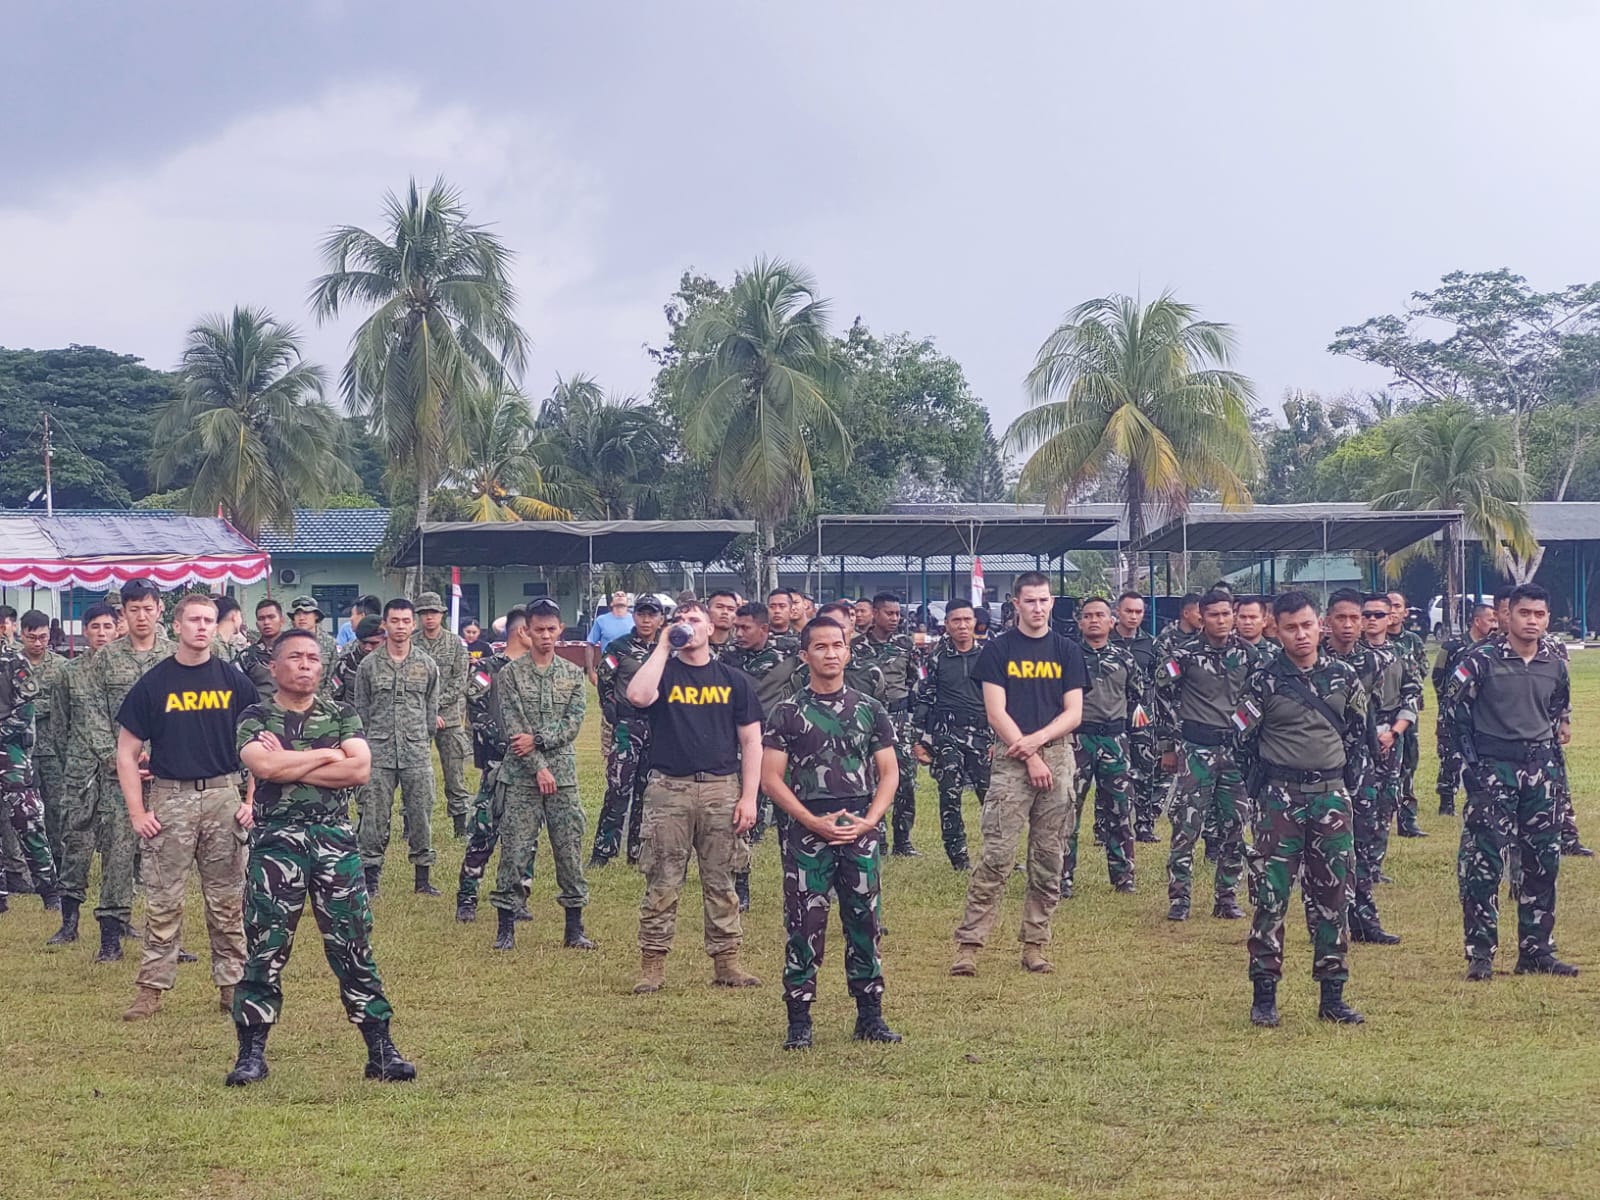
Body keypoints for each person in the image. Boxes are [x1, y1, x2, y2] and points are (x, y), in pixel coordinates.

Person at [227, 627, 414, 1086]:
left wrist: (293, 759)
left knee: (353, 944)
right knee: (266, 946)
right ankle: (251, 1053)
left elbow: (361, 769)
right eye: (295, 657)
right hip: (276, 843)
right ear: (274, 667)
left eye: (313, 657)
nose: (306, 664)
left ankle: (381, 1050)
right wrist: (327, 758)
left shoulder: (341, 713)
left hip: (334, 842)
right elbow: (264, 768)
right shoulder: (255, 716)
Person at [114, 594, 257, 1021]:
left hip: (223, 797)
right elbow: (126, 752)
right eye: (193, 619)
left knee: (227, 900)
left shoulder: (235, 682)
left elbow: (259, 746)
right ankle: (151, 990)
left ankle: (233, 986)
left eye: (209, 620)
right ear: (175, 626)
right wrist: (137, 812)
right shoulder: (154, 684)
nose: (202, 627)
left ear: (217, 626)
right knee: (162, 900)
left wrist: (250, 801)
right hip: (170, 798)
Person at [762, 618, 901, 1049]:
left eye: (837, 645)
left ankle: (870, 1015)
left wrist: (871, 820)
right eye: (819, 647)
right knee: (805, 924)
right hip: (808, 832)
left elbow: (889, 772)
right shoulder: (787, 713)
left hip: (859, 827)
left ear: (848, 651)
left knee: (865, 920)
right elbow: (771, 779)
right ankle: (799, 1020)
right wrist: (810, 821)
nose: (830, 653)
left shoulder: (868, 708)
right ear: (804, 656)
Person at [1233, 592, 1367, 1027]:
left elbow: (1358, 737)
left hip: (1331, 797)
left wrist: (1340, 786)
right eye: (1291, 627)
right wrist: (1267, 786)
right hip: (1279, 800)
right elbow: (1242, 740)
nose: (1301, 634)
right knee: (1271, 896)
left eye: (1308, 625)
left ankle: (1333, 994)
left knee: (1334, 896)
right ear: (1276, 629)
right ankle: (1264, 994)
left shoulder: (1344, 676)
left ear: (1320, 625)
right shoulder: (1263, 680)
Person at [951, 572, 1086, 978]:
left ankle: (1035, 945)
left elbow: (1074, 713)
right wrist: (1028, 754)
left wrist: (1039, 744)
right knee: (997, 856)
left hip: (1058, 757)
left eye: (1044, 600)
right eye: (1030, 601)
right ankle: (969, 946)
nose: (1038, 608)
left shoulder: (1067, 650)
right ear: (1015, 604)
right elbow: (996, 712)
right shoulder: (998, 650)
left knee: (1049, 857)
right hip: (1012, 759)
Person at [625, 600, 763, 993]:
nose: (686, 625)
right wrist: (663, 646)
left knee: (722, 879)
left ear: (710, 628)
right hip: (670, 788)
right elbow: (637, 696)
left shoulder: (733, 679)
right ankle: (652, 964)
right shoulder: (662, 672)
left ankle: (727, 962)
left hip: (721, 788)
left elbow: (752, 740)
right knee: (663, 879)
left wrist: (748, 797)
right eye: (680, 620)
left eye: (693, 620)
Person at [1445, 583, 1578, 982]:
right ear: (1508, 616)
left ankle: (1536, 949)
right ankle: (1481, 953)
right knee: (1483, 864)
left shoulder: (1555, 660)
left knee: (1542, 862)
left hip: (1540, 772)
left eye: (1539, 614)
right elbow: (1454, 714)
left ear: (1548, 618)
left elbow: (1557, 708)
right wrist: (1473, 769)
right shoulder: (1480, 660)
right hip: (1493, 770)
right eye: (1525, 613)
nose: (1532, 621)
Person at [487, 596, 594, 952]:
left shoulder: (572, 674)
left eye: (551, 629)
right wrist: (539, 767)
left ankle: (574, 928)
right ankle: (505, 927)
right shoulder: (510, 675)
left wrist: (541, 743)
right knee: (515, 849)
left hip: (563, 776)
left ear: (560, 630)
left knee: (568, 848)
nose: (546, 636)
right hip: (521, 777)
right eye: (539, 630)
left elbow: (573, 724)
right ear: (526, 632)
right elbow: (514, 729)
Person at [1153, 588, 1263, 923]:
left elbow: (1259, 699)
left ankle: (1227, 897)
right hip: (1195, 748)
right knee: (1187, 825)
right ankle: (1179, 898)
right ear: (1201, 616)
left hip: (1235, 751)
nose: (1221, 620)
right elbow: (1162, 698)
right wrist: (1168, 748)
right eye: (1213, 614)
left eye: (1226, 613)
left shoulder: (1250, 655)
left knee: (1234, 825)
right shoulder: (1183, 656)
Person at [81, 578, 170, 961]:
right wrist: (117, 758)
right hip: (120, 773)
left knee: (168, 854)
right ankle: (111, 936)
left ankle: (166, 936)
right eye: (133, 609)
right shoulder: (106, 659)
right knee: (118, 850)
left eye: (148, 608)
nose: (141, 616)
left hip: (169, 772)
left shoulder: (175, 656)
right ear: (123, 614)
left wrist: (164, 754)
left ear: (160, 610)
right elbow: (93, 714)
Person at [1320, 589, 1399, 946]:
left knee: (1364, 844)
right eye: (1342, 618)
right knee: (1323, 848)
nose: (1350, 625)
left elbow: (1374, 715)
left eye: (1356, 618)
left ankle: (1364, 920)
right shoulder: (1311, 660)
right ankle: (1326, 921)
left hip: (1362, 764)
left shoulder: (1373, 662)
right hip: (1322, 763)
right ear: (1327, 620)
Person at [352, 598, 440, 898]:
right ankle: (371, 877)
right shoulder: (368, 666)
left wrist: (421, 740)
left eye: (406, 621)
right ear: (385, 625)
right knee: (374, 815)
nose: (400, 627)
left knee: (421, 813)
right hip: (378, 751)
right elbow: (361, 710)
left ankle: (423, 878)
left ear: (412, 624)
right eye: (395, 621)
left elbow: (431, 709)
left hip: (416, 751)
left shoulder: (427, 665)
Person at [45, 603, 119, 947]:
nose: (102, 633)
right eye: (95, 627)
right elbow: (59, 726)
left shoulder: (127, 671)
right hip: (79, 770)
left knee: (119, 849)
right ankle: (69, 921)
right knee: (75, 844)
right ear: (85, 631)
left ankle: (118, 918)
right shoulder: (68, 673)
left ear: (118, 629)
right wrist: (74, 760)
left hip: (120, 771)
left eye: (108, 626)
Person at [455, 606, 535, 923]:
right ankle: (467, 897)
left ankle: (518, 897)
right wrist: (501, 742)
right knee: (484, 830)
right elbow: (475, 708)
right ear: (521, 631)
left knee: (527, 834)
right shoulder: (489, 667)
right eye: (536, 629)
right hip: (497, 762)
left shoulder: (535, 670)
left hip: (530, 763)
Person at [1064, 597, 1142, 897]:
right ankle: (1063, 878)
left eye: (1100, 615)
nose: (1094, 620)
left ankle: (1123, 877)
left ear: (1112, 621)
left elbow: (1137, 700)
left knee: (1120, 811)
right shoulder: (1067, 657)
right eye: (1088, 616)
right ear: (1079, 622)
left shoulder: (1125, 658)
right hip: (1077, 739)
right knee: (1068, 809)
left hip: (1115, 739)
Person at [1356, 593, 1421, 932]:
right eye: (1366, 614)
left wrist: (1395, 732)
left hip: (1390, 734)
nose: (1372, 620)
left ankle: (1373, 866)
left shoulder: (1401, 654)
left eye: (1379, 614)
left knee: (1385, 803)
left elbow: (1412, 696)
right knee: (1356, 803)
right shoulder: (1349, 655)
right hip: (1355, 738)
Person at [911, 598, 989, 870]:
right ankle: (959, 858)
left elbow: (1004, 699)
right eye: (956, 621)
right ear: (946, 625)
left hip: (983, 735)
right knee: (950, 796)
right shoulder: (936, 657)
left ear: (975, 622)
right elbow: (924, 699)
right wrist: (918, 740)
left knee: (992, 799)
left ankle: (999, 856)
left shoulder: (989, 656)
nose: (962, 626)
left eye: (967, 620)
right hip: (947, 734)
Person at [591, 596, 665, 868]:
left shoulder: (666, 649)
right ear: (634, 617)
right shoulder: (619, 648)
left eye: (652, 615)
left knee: (648, 790)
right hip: (627, 726)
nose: (646, 620)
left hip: (656, 727)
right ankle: (603, 851)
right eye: (642, 614)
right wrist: (613, 712)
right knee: (618, 788)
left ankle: (637, 851)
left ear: (660, 619)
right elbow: (605, 683)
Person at [724, 600, 801, 860]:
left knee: (789, 813)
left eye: (745, 628)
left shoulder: (790, 650)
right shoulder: (727, 656)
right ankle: (739, 880)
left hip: (780, 742)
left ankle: (796, 876)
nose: (739, 634)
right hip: (741, 742)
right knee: (741, 812)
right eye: (737, 628)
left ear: (764, 628)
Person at [851, 593, 922, 856]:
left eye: (897, 614)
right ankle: (876, 837)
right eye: (889, 613)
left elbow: (914, 681)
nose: (894, 618)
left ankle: (903, 840)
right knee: (870, 778)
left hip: (899, 718)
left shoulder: (905, 645)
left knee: (905, 780)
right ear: (875, 613)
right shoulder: (857, 647)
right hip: (868, 719)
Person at [1, 630, 59, 915]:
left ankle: (49, 890)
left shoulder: (12, 662)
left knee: (28, 821)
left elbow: (25, 710)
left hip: (10, 756)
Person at [412, 592, 472, 838]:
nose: (429, 617)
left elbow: (460, 680)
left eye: (433, 613)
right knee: (415, 772)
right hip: (415, 716)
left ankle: (460, 826)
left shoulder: (456, 643)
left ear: (441, 615)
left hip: (450, 717)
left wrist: (435, 707)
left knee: (454, 773)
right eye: (425, 613)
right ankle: (412, 825)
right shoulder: (411, 644)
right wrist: (426, 709)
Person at [17, 610, 69, 872]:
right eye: (32, 638)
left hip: (52, 749)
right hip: (18, 751)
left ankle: (58, 859)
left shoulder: (61, 666)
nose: (38, 643)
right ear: (21, 634)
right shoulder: (9, 665)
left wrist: (27, 706)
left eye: (43, 637)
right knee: (22, 808)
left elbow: (62, 704)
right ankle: (27, 864)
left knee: (56, 807)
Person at [1433, 603, 1496, 816]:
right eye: (1490, 620)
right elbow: (1438, 676)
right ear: (1477, 621)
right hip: (1452, 711)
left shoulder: (1494, 646)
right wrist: (1448, 703)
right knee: (1449, 755)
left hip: (1481, 712)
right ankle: (1446, 800)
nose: (1494, 624)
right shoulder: (1453, 645)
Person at [1111, 592, 1161, 842]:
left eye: (1138, 612)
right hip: (1112, 712)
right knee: (1111, 770)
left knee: (1145, 768)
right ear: (1117, 611)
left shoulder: (1151, 645)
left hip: (1142, 715)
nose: (1133, 616)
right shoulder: (1105, 642)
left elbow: (1158, 682)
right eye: (1128, 611)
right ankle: (1106, 825)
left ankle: (1144, 825)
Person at [1386, 591, 1428, 838]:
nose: (1392, 611)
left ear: (1405, 612)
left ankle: (1408, 820)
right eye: (1388, 606)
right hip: (1382, 715)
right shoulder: (1371, 641)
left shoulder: (1412, 641)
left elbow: (1421, 671)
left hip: (1407, 713)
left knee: (1408, 764)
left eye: (1397, 606)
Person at [239, 599, 286, 703]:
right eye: (261, 618)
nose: (266, 622)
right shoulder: (247, 657)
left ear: (282, 620)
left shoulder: (296, 652)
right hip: (261, 714)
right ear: (257, 624)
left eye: (271, 617)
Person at [328, 616, 384, 704]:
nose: (368, 648)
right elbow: (333, 695)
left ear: (385, 639)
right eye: (364, 642)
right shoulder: (345, 664)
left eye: (374, 643)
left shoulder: (394, 663)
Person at [584, 592, 634, 686]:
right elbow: (590, 644)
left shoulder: (635, 620)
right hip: (608, 667)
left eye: (623, 595)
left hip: (630, 668)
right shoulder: (601, 620)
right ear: (611, 603)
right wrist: (590, 672)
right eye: (617, 595)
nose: (620, 595)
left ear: (628, 603)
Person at [288, 596, 337, 691]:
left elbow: (333, 678)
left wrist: (323, 702)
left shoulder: (329, 643)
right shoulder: (286, 643)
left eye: (306, 613)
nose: (302, 618)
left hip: (322, 700)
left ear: (316, 616)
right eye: (298, 614)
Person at [706, 590, 739, 658]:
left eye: (731, 609)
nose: (725, 612)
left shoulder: (741, 647)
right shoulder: (697, 644)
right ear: (707, 611)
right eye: (719, 607)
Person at [766, 589, 799, 653]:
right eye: (772, 607)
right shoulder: (758, 638)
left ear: (791, 611)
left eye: (782, 606)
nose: (777, 611)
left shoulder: (801, 639)